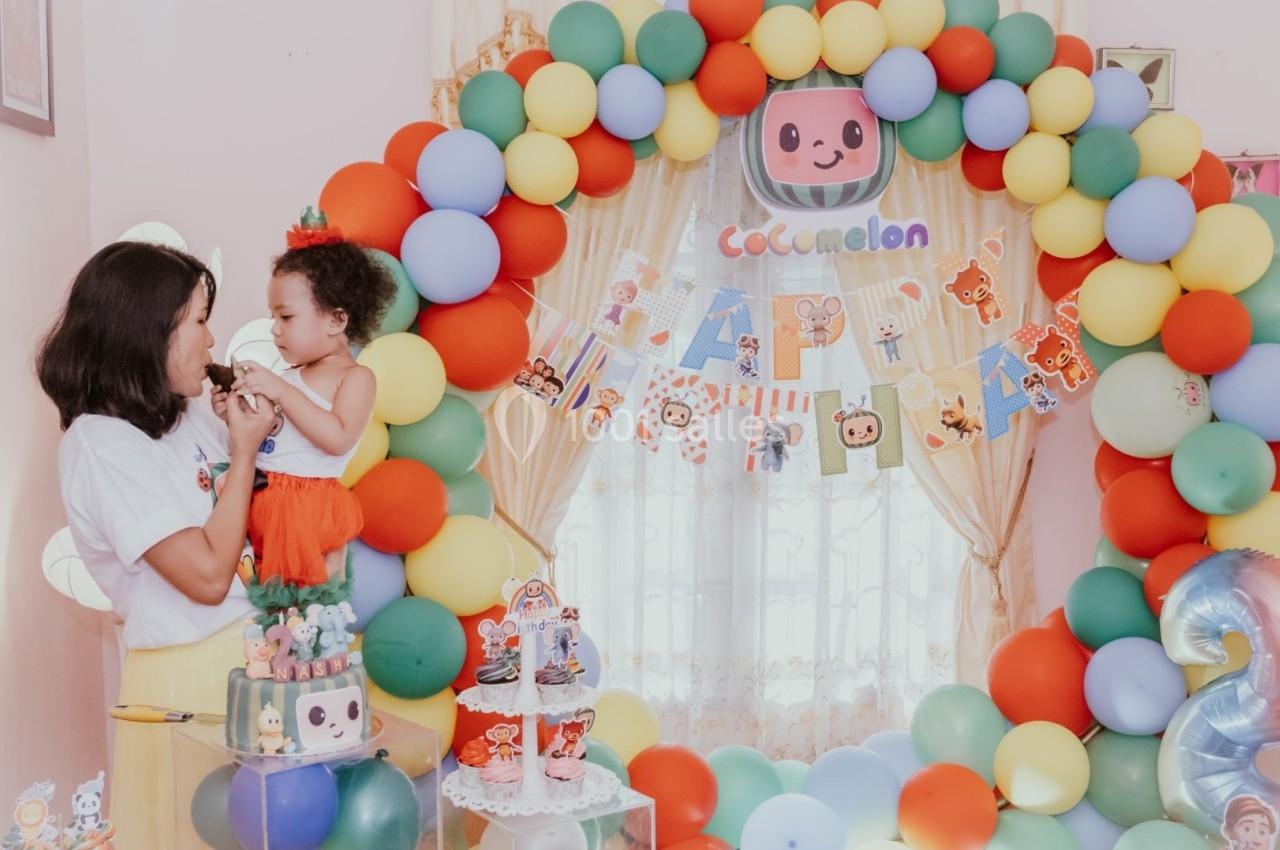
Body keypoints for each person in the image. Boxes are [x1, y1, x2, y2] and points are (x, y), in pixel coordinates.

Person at [39, 241, 278, 849]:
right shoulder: (100, 443)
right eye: (198, 321)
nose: (211, 339)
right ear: (148, 331)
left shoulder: (187, 414)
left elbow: (254, 524)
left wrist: (245, 434)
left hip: (258, 666)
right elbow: (207, 576)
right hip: (186, 684)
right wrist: (243, 452)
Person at [228, 209, 395, 591]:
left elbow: (338, 437)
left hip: (303, 507)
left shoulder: (356, 378)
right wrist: (238, 412)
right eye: (273, 317)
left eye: (286, 317)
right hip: (265, 496)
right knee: (260, 604)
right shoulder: (290, 376)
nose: (274, 329)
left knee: (303, 606)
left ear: (336, 321)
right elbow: (276, 436)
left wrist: (280, 391)